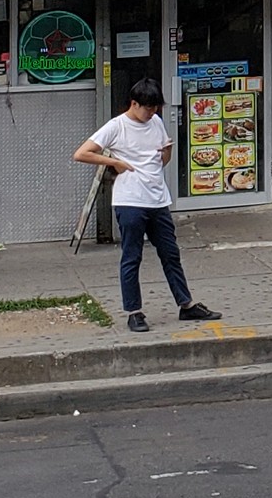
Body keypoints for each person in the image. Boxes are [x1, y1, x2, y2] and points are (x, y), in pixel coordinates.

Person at [74, 78, 222, 332]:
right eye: (148, 108)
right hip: (130, 200)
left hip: (157, 199)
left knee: (170, 254)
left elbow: (161, 160)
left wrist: (166, 152)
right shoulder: (116, 126)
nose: (152, 113)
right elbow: (81, 153)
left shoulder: (156, 122)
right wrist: (114, 163)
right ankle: (134, 311)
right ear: (134, 103)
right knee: (132, 256)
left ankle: (186, 305)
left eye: (155, 108)